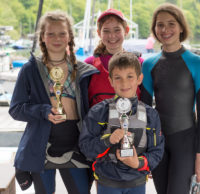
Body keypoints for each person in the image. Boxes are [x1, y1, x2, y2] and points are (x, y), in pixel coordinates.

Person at [9, 10, 98, 194]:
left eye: (62, 33)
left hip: (76, 145)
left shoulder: (83, 71)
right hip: (42, 145)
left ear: (70, 36)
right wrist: (43, 111)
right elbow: (16, 109)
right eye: (51, 33)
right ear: (42, 37)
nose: (56, 38)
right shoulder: (30, 69)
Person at [141, 3, 200, 194]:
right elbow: (144, 110)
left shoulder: (197, 63)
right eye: (160, 25)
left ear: (181, 27)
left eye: (171, 24)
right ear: (155, 29)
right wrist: (144, 151)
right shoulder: (148, 65)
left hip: (185, 142)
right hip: (157, 143)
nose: (165, 29)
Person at [79, 52, 164, 194]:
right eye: (118, 78)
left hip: (137, 182)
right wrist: (108, 140)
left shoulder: (151, 115)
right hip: (107, 181)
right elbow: (85, 147)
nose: (124, 83)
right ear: (111, 81)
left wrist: (138, 162)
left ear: (139, 79)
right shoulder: (98, 112)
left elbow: (157, 151)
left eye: (130, 77)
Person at [85, 8, 144, 107]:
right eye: (106, 31)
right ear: (99, 33)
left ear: (126, 31)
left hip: (132, 121)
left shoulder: (139, 63)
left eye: (117, 30)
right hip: (97, 121)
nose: (112, 36)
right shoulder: (89, 64)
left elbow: (145, 102)